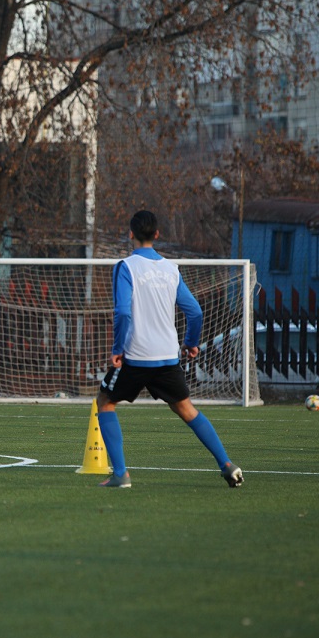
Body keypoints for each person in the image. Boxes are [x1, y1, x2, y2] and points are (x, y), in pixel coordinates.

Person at [94, 209, 243, 488]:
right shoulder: (170, 269)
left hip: (135, 357)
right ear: (157, 235)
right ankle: (226, 464)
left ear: (131, 234)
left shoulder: (125, 267)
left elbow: (123, 313)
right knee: (186, 409)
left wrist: (117, 348)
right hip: (166, 356)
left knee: (105, 403)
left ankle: (121, 475)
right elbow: (195, 311)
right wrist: (191, 343)